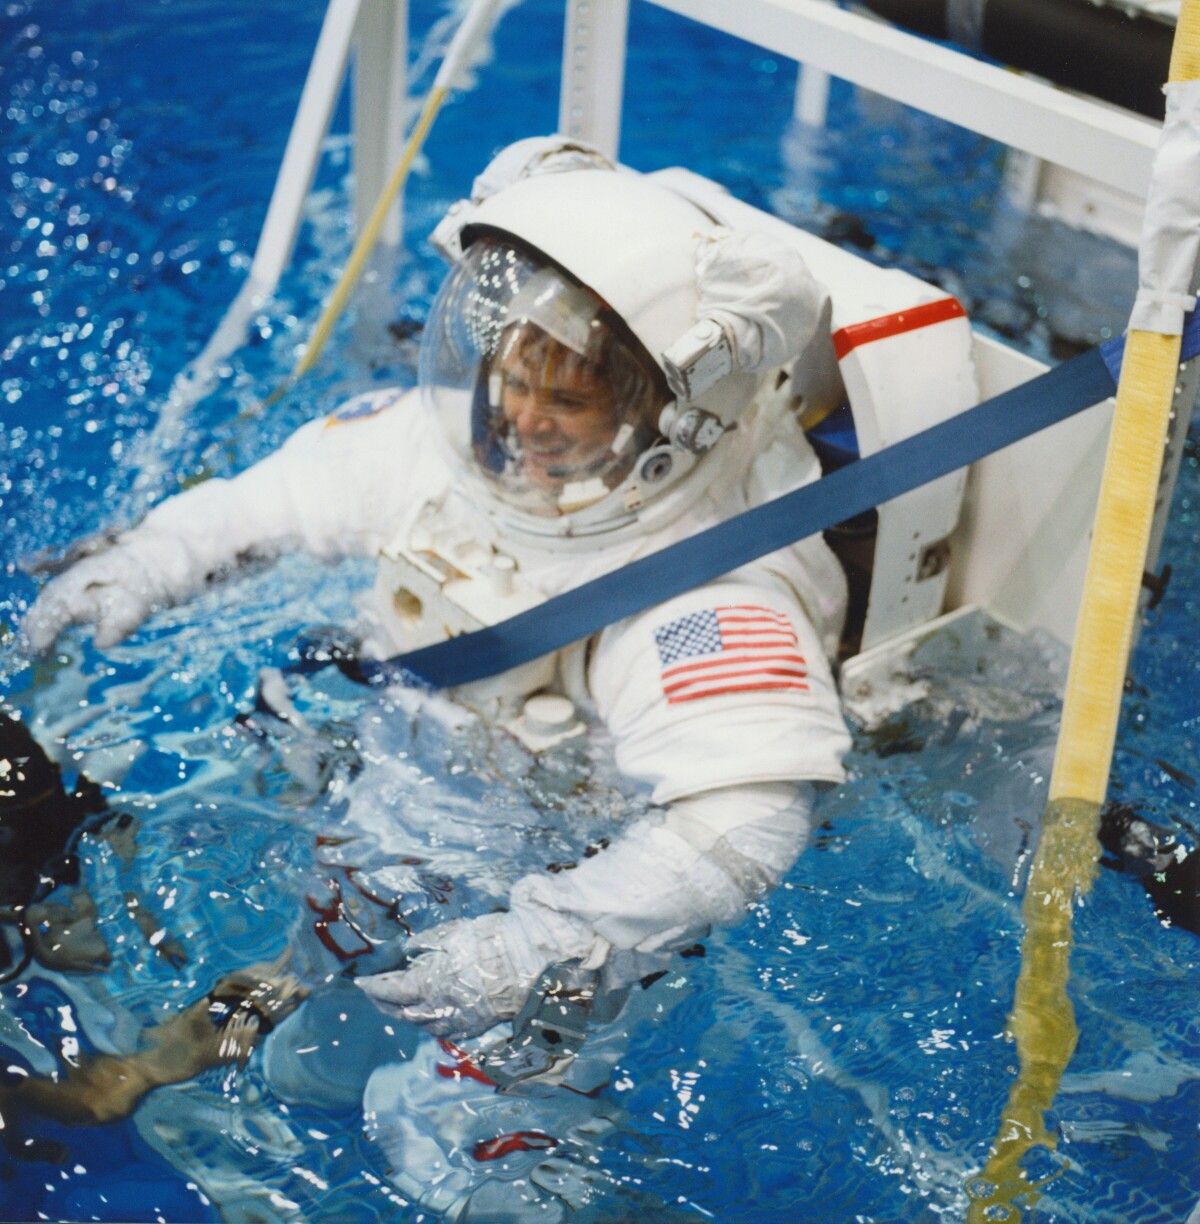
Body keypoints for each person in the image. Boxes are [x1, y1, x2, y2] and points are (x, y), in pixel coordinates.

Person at [24, 136, 853, 1214]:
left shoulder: (711, 590)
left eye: (567, 404)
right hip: (412, 793)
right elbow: (259, 508)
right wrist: (144, 566)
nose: (518, 420)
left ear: (666, 427)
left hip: (570, 869)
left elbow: (744, 819)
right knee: (291, 1054)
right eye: (512, 377)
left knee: (452, 1142)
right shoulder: (427, 448)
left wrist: (549, 944)